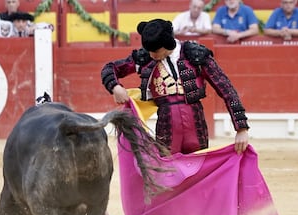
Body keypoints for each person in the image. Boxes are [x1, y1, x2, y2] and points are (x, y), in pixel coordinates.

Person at [101, 18, 249, 155]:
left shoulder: (195, 55)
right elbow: (109, 68)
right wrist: (115, 86)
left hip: (195, 123)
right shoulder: (145, 58)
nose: (151, 55)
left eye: (155, 51)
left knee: (198, 171)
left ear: (167, 44)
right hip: (166, 124)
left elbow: (226, 89)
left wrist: (241, 128)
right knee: (166, 173)